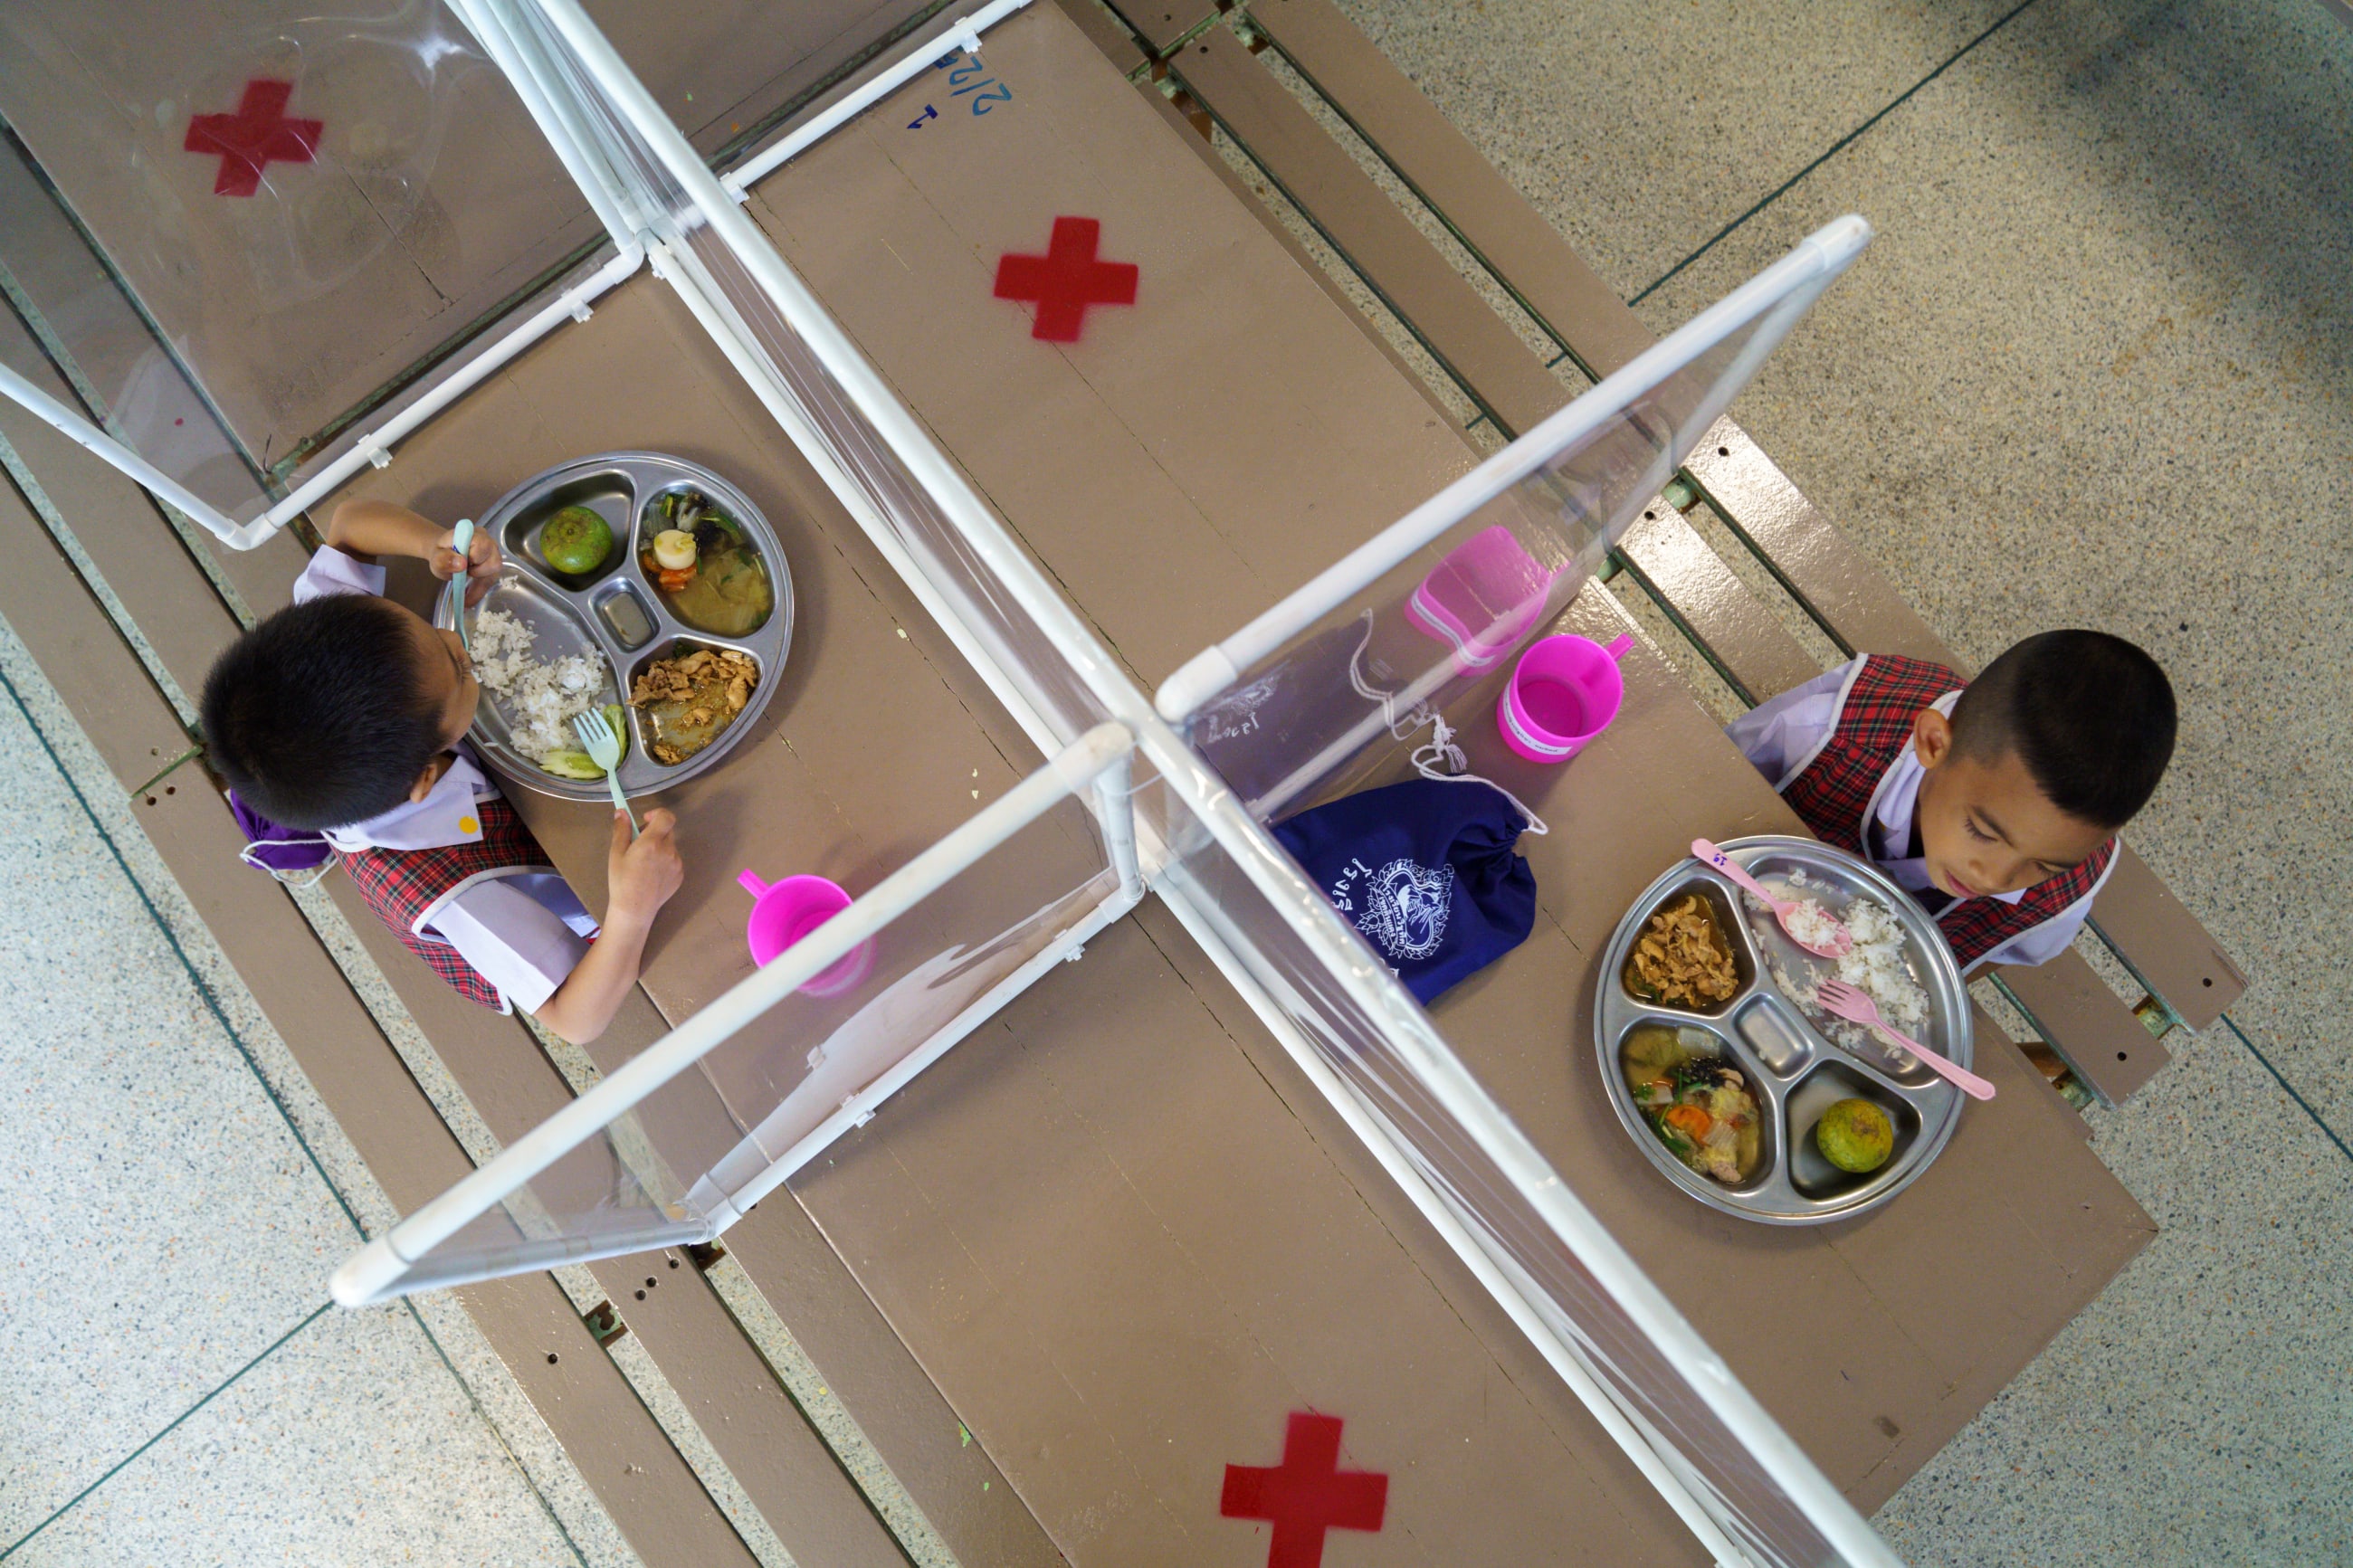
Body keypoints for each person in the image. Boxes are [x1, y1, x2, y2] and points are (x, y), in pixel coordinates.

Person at [200, 499, 683, 1041]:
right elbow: (575, 1019)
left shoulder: (335, 633)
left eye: (426, 632)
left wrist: (435, 543)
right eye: (459, 668)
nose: (457, 640)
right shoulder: (456, 900)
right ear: (425, 777)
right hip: (563, 891)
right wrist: (631, 912)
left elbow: (350, 524)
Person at [1725, 631, 2175, 972]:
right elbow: (1723, 774)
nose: (1993, 878)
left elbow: (1997, 956)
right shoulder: (1828, 733)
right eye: (1982, 832)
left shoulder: (2064, 896)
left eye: (2045, 866)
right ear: (1933, 743)